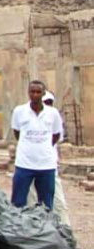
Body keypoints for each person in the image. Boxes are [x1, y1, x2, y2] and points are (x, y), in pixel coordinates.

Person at [10, 80, 63, 209]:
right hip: (24, 164)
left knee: (46, 204)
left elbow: (56, 134)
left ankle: (45, 228)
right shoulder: (19, 111)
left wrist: (43, 147)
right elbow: (17, 133)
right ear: (28, 93)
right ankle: (18, 228)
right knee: (18, 202)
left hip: (46, 165)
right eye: (32, 92)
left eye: (38, 92)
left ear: (43, 93)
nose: (35, 95)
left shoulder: (53, 113)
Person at [41, 91, 69, 225]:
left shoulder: (54, 118)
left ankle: (65, 232)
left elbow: (56, 138)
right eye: (44, 103)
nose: (47, 106)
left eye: (49, 103)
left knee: (58, 203)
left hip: (49, 166)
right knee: (32, 203)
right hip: (29, 167)